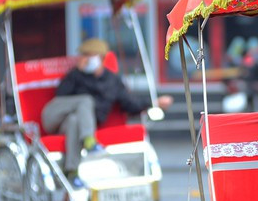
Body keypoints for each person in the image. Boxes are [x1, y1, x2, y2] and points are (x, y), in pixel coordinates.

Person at [41, 38, 173, 186]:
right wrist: (77, 71)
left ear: (101, 58)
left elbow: (129, 103)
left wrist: (154, 103)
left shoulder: (112, 80)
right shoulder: (75, 75)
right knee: (86, 100)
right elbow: (60, 97)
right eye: (83, 55)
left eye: (89, 56)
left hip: (73, 125)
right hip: (54, 117)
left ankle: (72, 172)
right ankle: (90, 141)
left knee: (74, 121)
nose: (85, 59)